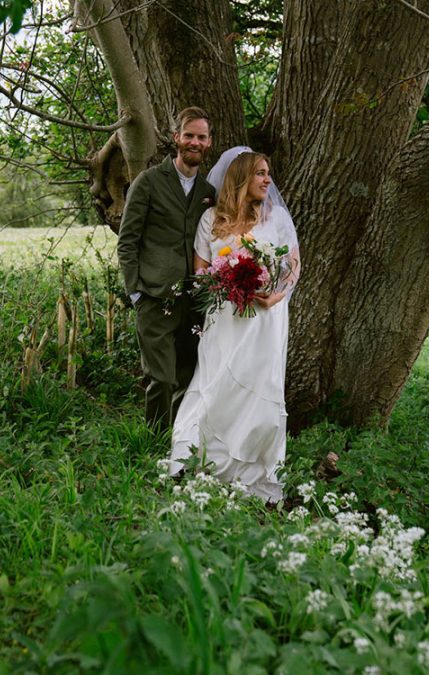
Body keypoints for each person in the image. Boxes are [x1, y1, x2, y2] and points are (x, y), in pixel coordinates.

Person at [167, 147, 301, 503]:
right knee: (215, 384)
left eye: (267, 173)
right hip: (224, 317)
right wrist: (225, 283)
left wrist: (276, 295)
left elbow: (294, 264)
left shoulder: (276, 219)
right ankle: (197, 463)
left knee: (261, 388)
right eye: (260, 173)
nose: (267, 180)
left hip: (266, 320)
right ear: (242, 177)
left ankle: (256, 479)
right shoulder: (212, 219)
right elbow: (201, 269)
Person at [118, 107, 217, 430]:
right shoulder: (148, 182)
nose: (195, 142)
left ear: (209, 142)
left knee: (189, 375)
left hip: (194, 299)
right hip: (154, 295)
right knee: (160, 378)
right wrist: (136, 291)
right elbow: (127, 240)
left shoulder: (208, 193)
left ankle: (180, 443)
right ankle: (153, 447)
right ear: (176, 138)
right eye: (189, 135)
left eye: (201, 137)